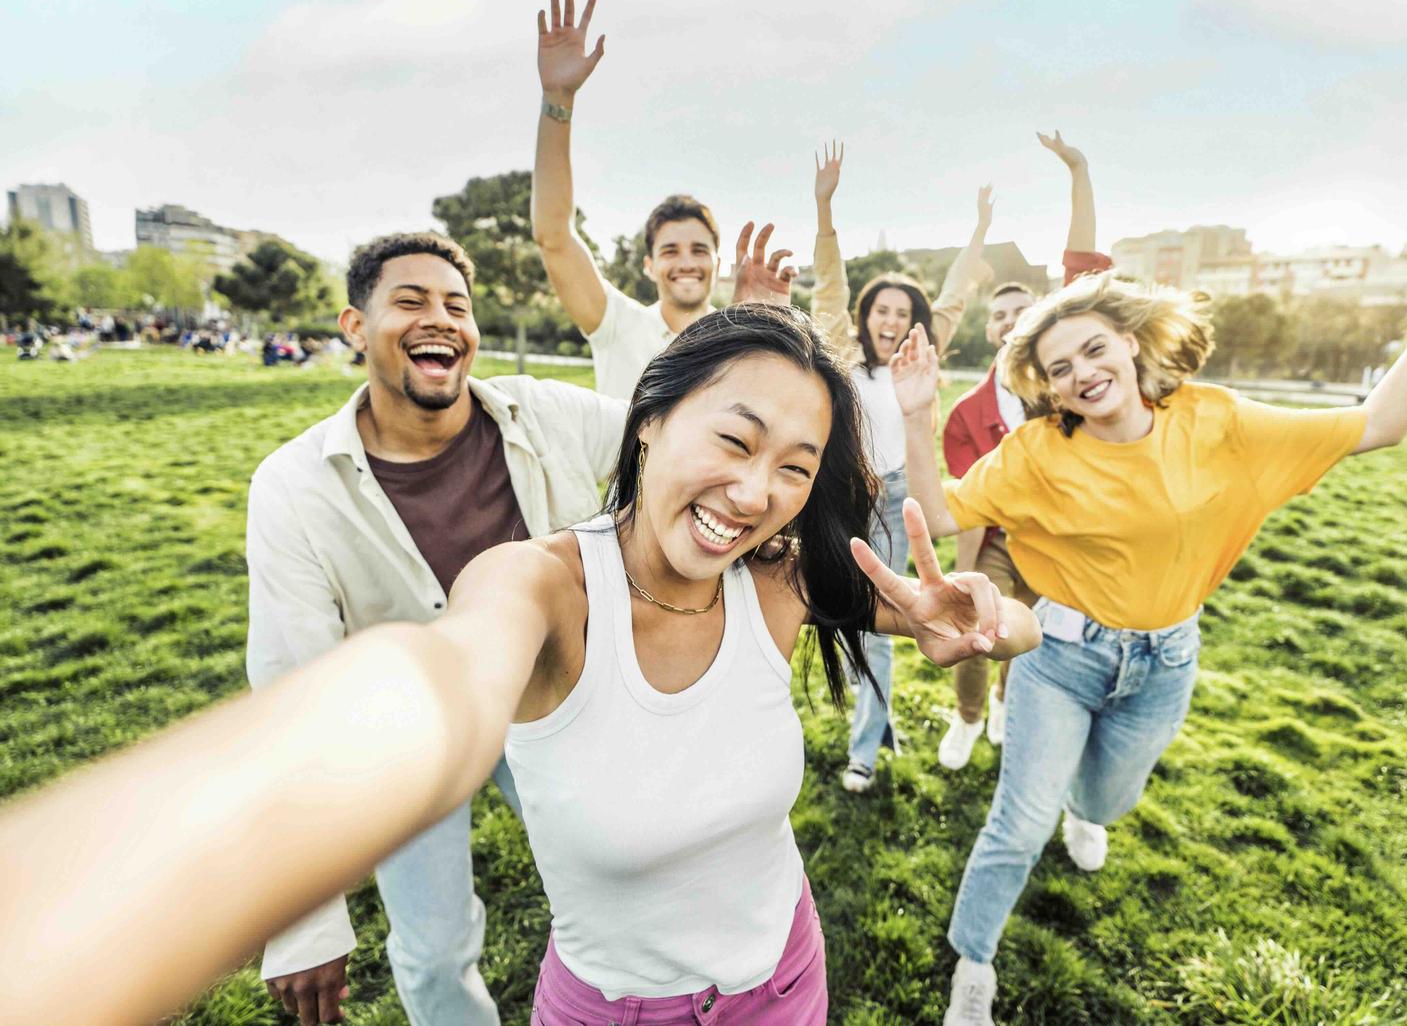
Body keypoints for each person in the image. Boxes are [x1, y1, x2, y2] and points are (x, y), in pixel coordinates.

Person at [0, 297, 1041, 1026]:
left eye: (793, 469)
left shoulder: (780, 582)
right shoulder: (535, 588)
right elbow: (438, 691)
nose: (756, 491)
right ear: (648, 422)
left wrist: (993, 617)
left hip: (785, 984)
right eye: (735, 439)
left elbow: (1017, 628)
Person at [886, 185, 1407, 1026]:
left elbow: (1380, 421)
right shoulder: (1037, 454)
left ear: (1128, 345)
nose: (1082, 374)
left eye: (1093, 351)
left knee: (1102, 802)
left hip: (1163, 660)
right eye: (1059, 368)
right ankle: (972, 964)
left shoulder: (1216, 422)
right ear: (1047, 388)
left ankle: (1087, 813)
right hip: (1059, 653)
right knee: (1017, 826)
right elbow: (942, 513)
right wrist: (916, 413)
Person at [247, 231, 626, 1026]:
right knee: (431, 950)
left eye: (456, 305)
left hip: (556, 705)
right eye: (410, 302)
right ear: (355, 327)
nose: (440, 320)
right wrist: (302, 921)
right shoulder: (293, 486)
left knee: (624, 890)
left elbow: (666, 438)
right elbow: (292, 689)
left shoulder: (543, 411)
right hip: (408, 740)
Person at [808, 140, 996, 791]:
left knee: (876, 621)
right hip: (838, 496)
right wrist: (824, 209)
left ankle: (863, 747)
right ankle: (874, 717)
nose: (891, 320)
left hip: (895, 499)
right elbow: (827, 282)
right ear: (865, 317)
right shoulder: (837, 348)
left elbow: (957, 290)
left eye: (902, 312)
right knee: (825, 613)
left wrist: (978, 231)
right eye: (880, 310)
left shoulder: (923, 347)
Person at [938, 132, 1113, 771]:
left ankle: (1009, 706)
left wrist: (1078, 169)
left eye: (1023, 309)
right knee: (979, 629)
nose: (1011, 320)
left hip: (1064, 538)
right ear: (988, 331)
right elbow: (971, 502)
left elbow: (1086, 273)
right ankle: (967, 717)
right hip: (996, 541)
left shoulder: (1068, 394)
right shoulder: (965, 417)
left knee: (1031, 641)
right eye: (1000, 313)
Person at [532, 0, 724, 399]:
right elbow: (553, 235)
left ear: (717, 263)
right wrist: (558, 100)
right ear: (649, 266)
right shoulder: (617, 325)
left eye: (698, 249)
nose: (686, 262)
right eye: (671, 251)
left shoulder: (737, 342)